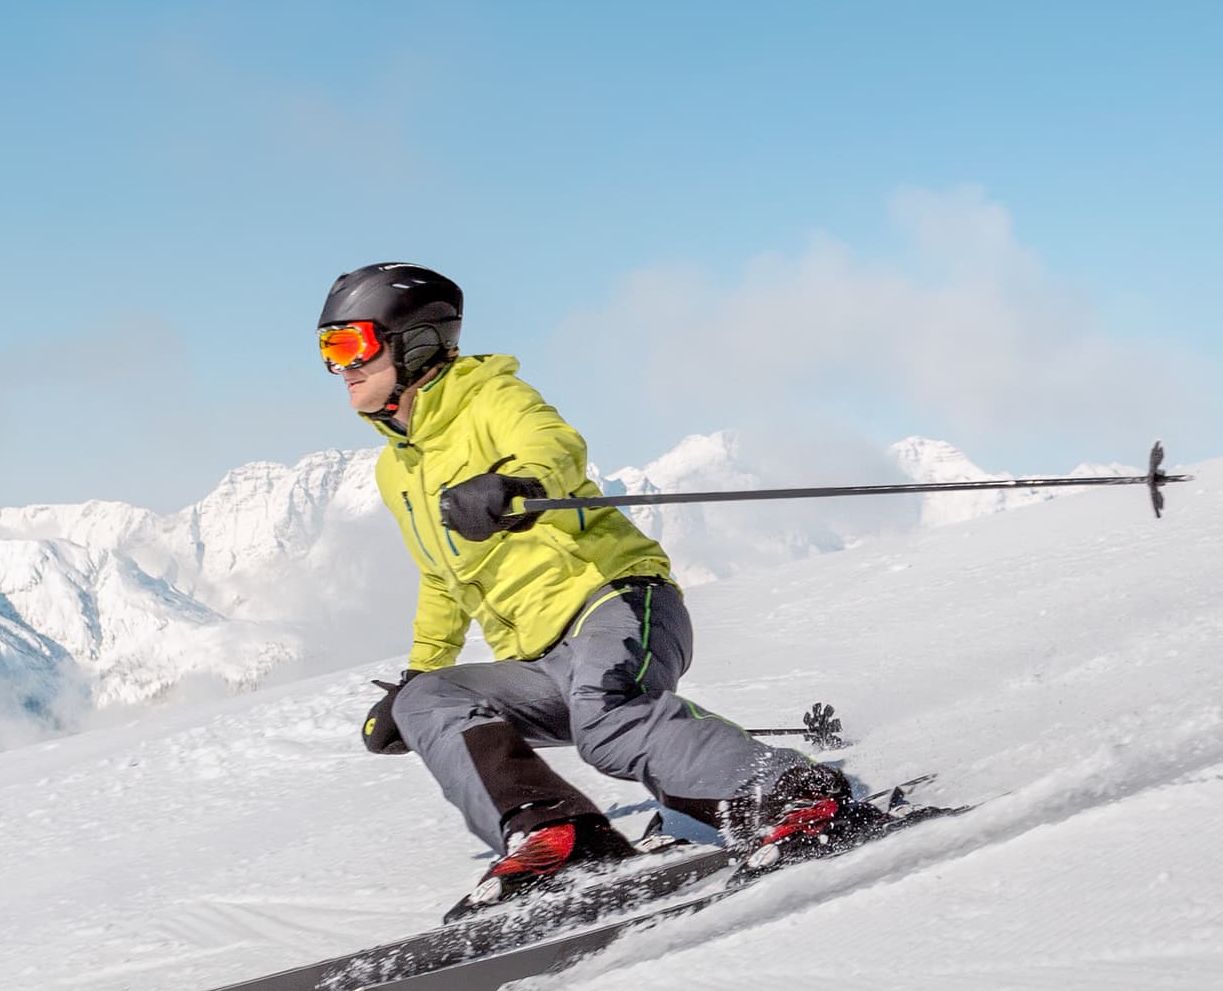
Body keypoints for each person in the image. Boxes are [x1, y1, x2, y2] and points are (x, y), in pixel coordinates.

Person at [319, 261, 851, 902]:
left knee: (607, 723)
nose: (338, 365)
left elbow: (556, 446)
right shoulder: (395, 470)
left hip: (617, 601)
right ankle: (559, 837)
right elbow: (442, 580)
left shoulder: (491, 399)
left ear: (414, 343)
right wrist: (412, 682)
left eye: (349, 344)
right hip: (540, 662)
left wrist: (519, 483)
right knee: (430, 699)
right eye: (327, 348)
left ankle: (800, 799)